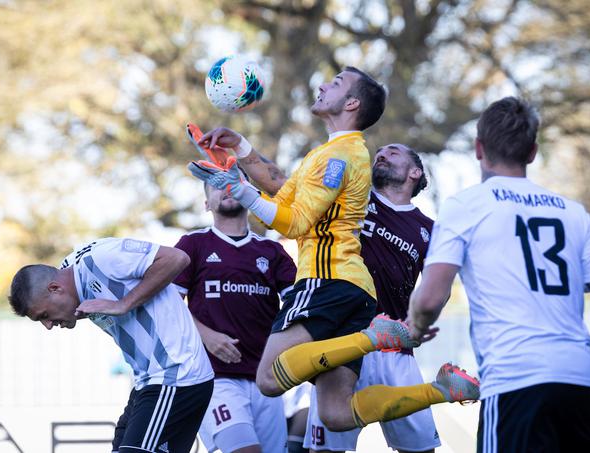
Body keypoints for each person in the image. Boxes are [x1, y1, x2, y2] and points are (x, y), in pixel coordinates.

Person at [189, 67, 478, 433]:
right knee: (336, 413)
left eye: (336, 83)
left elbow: (294, 223)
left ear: (352, 103)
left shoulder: (339, 155)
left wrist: (241, 191)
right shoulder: (333, 151)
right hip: (353, 291)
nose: (323, 85)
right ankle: (441, 390)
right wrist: (241, 149)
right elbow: (280, 189)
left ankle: (373, 338)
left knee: (268, 379)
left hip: (327, 280)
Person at [407, 96, 590, 452]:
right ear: (532, 152)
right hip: (580, 383)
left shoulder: (466, 206)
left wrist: (414, 328)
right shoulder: (573, 213)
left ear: (478, 148)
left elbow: (429, 299)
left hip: (515, 383)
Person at [8, 238, 215, 453]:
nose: (48, 326)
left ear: (55, 288)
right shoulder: (69, 282)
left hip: (178, 375)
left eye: (45, 315)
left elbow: (176, 258)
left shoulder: (102, 258)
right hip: (147, 382)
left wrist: (123, 304)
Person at [305, 143, 442, 453]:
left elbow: (438, 285)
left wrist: (418, 322)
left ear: (414, 172)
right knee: (327, 450)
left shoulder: (429, 230)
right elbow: (295, 194)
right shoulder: (352, 200)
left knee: (420, 449)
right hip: (342, 340)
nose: (381, 154)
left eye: (393, 153)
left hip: (394, 346)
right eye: (379, 151)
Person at [173, 181, 297, 453]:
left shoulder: (272, 251)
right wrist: (206, 335)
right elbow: (168, 304)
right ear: (206, 203)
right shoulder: (194, 244)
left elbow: (299, 304)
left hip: (266, 378)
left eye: (233, 183)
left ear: (250, 196)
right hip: (215, 378)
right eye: (216, 187)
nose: (226, 189)